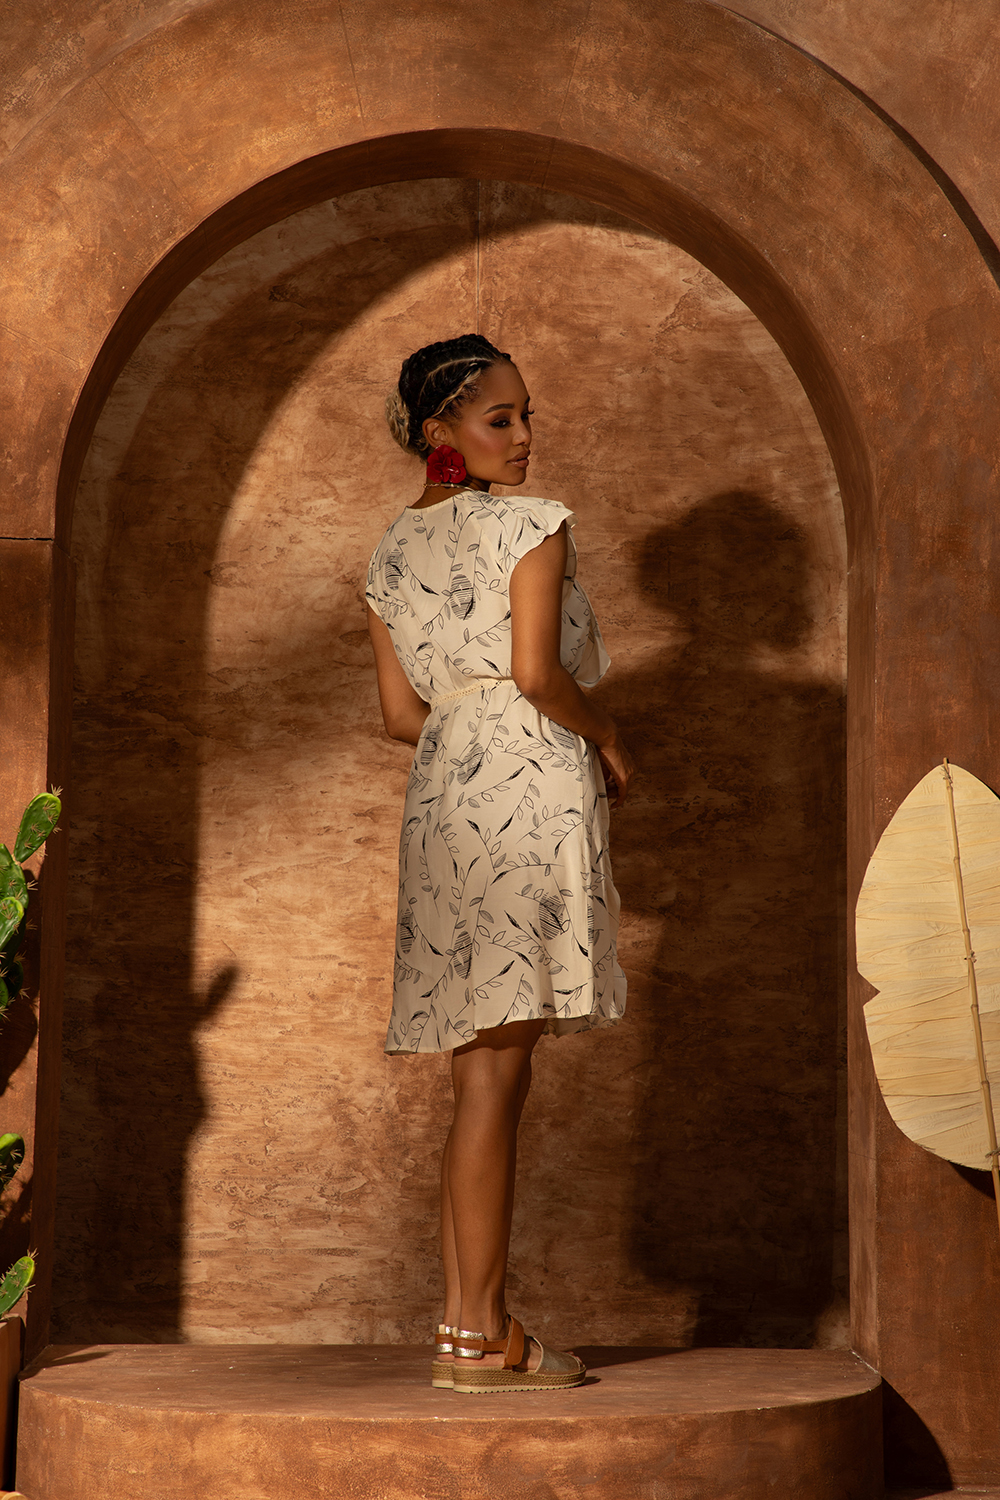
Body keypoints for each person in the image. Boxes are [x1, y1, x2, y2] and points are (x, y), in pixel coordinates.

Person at [366, 334, 633, 1394]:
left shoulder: (389, 553)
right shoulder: (533, 524)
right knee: (495, 1078)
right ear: (442, 432)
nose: (523, 437)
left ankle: (469, 1331)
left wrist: (465, 739)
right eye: (500, 418)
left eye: (527, 416)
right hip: (526, 784)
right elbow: (536, 675)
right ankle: (479, 1332)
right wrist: (607, 739)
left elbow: (400, 716)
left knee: (477, 1075)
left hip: (444, 789)